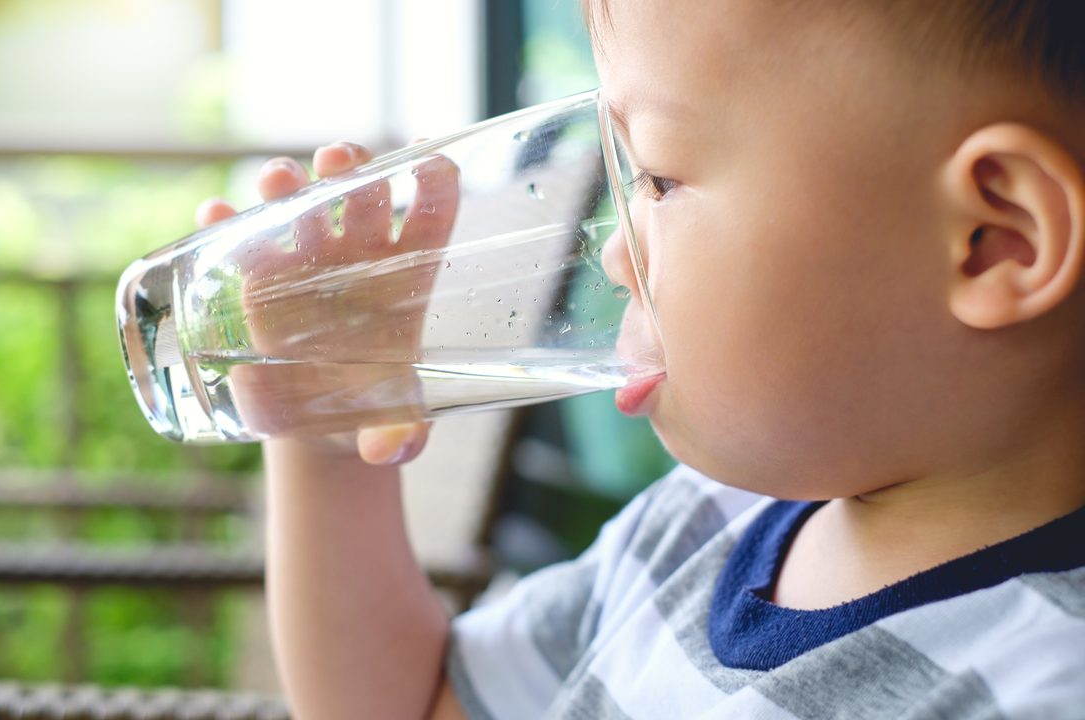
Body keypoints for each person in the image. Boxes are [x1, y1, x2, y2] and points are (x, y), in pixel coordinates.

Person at [195, 0, 1085, 716]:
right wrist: (328, 443)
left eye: (656, 178)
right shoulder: (701, 525)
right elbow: (411, 703)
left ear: (992, 241)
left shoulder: (1037, 680)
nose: (616, 252)